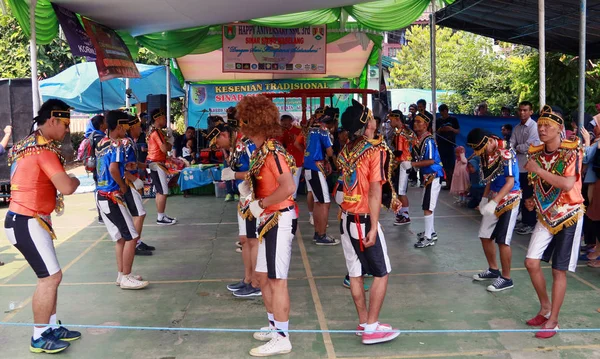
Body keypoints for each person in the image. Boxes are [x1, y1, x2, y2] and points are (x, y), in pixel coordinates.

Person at [5, 99, 81, 353]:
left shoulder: (28, 144)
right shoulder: (42, 151)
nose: (68, 129)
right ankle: (39, 335)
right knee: (50, 277)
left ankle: (50, 326)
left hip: (31, 221)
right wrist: (75, 179)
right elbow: (67, 188)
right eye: (66, 123)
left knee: (52, 275)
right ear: (52, 121)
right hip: (27, 221)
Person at [236, 95, 297, 356]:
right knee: (262, 278)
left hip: (279, 218)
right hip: (266, 219)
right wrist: (250, 194)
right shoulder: (261, 152)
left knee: (276, 280)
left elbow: (289, 187)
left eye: (243, 121)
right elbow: (265, 184)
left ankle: (282, 337)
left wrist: (261, 205)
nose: (239, 126)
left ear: (254, 122)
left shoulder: (273, 152)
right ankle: (274, 327)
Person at [337, 99, 400, 345]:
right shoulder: (375, 151)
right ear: (367, 125)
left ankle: (364, 322)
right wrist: (374, 226)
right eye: (370, 117)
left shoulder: (348, 150)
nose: (374, 120)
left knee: (355, 274)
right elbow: (375, 192)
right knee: (381, 274)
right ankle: (372, 328)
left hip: (346, 219)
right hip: (363, 221)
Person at [523, 105, 584, 339]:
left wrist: (538, 170)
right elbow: (540, 185)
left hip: (569, 214)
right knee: (531, 262)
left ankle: (554, 320)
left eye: (548, 125)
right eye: (540, 124)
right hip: (545, 215)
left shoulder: (572, 151)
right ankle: (545, 307)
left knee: (559, 270)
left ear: (560, 128)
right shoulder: (536, 153)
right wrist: (531, 199)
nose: (542, 128)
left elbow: (568, 185)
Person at [96, 110, 149, 290]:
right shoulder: (117, 145)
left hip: (101, 196)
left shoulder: (101, 143)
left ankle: (122, 274)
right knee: (132, 236)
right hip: (112, 196)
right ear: (119, 126)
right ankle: (126, 277)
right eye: (125, 125)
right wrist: (123, 185)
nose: (127, 129)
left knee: (120, 238)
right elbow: (113, 169)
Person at [209, 120, 262, 298]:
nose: (217, 146)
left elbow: (259, 172)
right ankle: (248, 279)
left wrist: (235, 175)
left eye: (217, 141)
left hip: (254, 198)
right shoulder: (236, 146)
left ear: (224, 135)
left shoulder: (248, 144)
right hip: (243, 198)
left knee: (254, 241)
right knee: (245, 239)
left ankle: (257, 283)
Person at [467, 129, 521, 292]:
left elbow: (510, 182)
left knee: (503, 240)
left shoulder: (507, 152)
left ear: (489, 141)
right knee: (484, 235)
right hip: (494, 198)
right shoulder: (486, 153)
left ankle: (506, 278)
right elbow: (490, 178)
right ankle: (493, 269)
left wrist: (494, 201)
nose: (481, 153)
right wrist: (484, 199)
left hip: (510, 198)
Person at [303, 108, 339, 245]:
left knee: (319, 202)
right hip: (315, 168)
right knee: (324, 203)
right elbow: (330, 152)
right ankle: (322, 235)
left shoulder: (312, 129)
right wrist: (335, 163)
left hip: (309, 166)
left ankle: (318, 233)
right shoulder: (324, 131)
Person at [411, 112, 444, 248]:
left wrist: (412, 164)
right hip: (427, 176)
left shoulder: (428, 140)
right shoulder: (420, 138)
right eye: (415, 121)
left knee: (427, 206)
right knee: (427, 204)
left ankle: (428, 237)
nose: (416, 124)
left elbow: (430, 160)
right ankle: (431, 231)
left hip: (433, 175)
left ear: (426, 125)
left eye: (419, 122)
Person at [124, 116, 154, 256]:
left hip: (132, 180)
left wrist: (147, 165)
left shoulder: (130, 142)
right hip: (129, 183)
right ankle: (134, 244)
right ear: (131, 128)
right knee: (139, 214)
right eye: (138, 127)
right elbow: (120, 167)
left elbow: (133, 163)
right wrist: (133, 179)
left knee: (138, 214)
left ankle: (137, 242)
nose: (140, 130)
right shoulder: (125, 143)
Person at [510, 101, 540, 235]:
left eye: (525, 110)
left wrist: (517, 147)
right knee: (520, 195)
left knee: (529, 196)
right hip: (518, 166)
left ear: (531, 112)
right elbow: (511, 144)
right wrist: (516, 148)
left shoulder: (534, 127)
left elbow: (530, 146)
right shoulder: (516, 128)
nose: (522, 113)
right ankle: (524, 221)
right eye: (521, 110)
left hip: (530, 168)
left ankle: (531, 223)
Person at [147, 109, 177, 225]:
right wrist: (170, 141)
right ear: (157, 118)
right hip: (157, 163)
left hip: (155, 162)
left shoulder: (153, 131)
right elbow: (165, 148)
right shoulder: (156, 133)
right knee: (163, 191)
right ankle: (160, 217)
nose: (165, 120)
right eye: (163, 118)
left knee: (160, 191)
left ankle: (161, 215)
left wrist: (168, 141)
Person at [389, 110, 415, 225]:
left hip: (402, 163)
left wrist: (389, 158)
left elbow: (399, 152)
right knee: (401, 190)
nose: (390, 122)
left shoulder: (400, 133)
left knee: (401, 191)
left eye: (391, 120)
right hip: (407, 163)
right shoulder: (408, 131)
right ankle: (401, 214)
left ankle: (405, 216)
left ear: (397, 119)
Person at [436, 104, 460, 190]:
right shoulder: (438, 120)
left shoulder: (453, 119)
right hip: (441, 144)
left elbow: (457, 131)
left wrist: (450, 129)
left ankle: (453, 183)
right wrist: (441, 129)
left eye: (444, 111)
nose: (443, 114)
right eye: (441, 112)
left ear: (447, 110)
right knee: (444, 165)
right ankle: (447, 182)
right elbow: (435, 133)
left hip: (450, 144)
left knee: (451, 165)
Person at [281, 114, 304, 200]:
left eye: (286, 120)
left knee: (295, 176)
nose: (284, 122)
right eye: (283, 120)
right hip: (287, 157)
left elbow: (302, 143)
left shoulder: (298, 130)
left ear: (290, 120)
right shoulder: (282, 131)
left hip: (297, 156)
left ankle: (293, 196)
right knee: (287, 176)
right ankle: (287, 194)